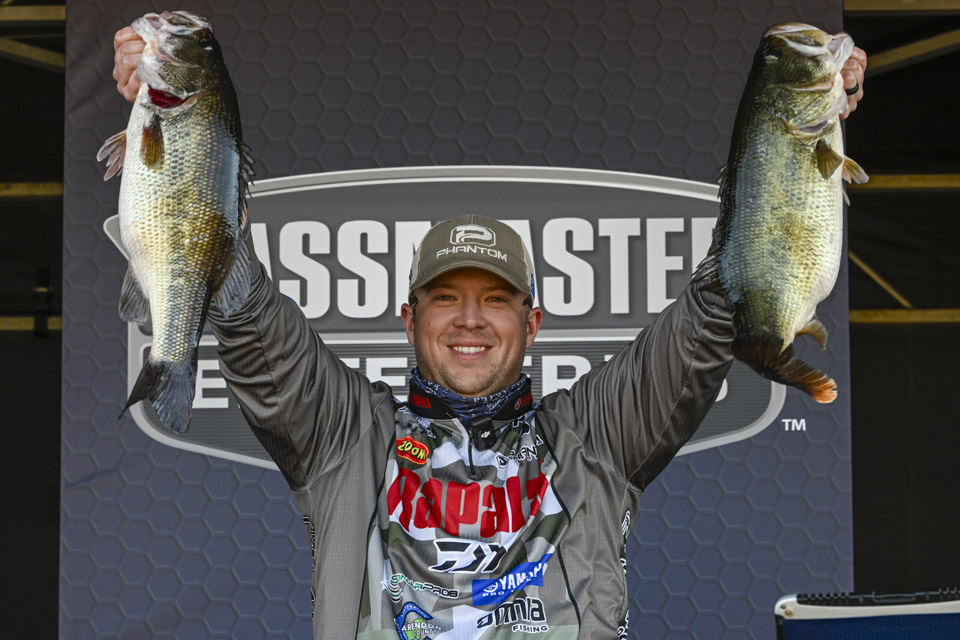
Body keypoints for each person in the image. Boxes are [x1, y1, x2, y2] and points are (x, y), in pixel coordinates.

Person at [112, 25, 866, 640]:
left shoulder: (595, 439)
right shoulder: (347, 438)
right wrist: (181, 131)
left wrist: (797, 136)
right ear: (409, 320)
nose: (469, 318)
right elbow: (244, 309)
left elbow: (715, 308)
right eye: (445, 297)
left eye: (495, 300)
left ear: (532, 324)